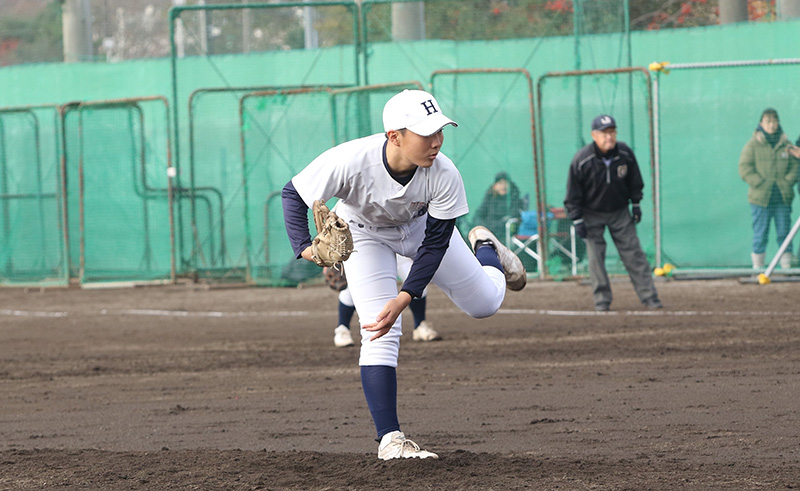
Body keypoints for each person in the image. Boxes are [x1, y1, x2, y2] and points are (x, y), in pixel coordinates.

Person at [281, 89, 526, 460]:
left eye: (440, 130)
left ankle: (487, 247)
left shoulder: (444, 174)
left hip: (422, 230)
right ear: (394, 136)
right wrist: (306, 248)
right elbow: (293, 193)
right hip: (363, 234)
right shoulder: (351, 160)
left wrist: (405, 295)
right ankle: (390, 440)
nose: (437, 141)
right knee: (378, 329)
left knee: (485, 304)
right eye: (426, 133)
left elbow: (435, 245)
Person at [564, 114, 662, 312]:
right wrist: (577, 220)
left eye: (612, 132)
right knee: (595, 258)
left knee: (634, 254)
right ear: (594, 135)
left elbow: (635, 181)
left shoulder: (625, 154)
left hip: (619, 211)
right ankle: (602, 300)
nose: (609, 137)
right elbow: (573, 193)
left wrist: (635, 204)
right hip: (591, 213)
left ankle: (649, 297)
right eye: (604, 133)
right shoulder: (582, 160)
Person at [738, 108, 800, 269]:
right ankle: (758, 269)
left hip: (782, 198)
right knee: (760, 234)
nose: (772, 125)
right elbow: (744, 168)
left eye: (775, 121)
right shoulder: (753, 145)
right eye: (768, 121)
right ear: (761, 124)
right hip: (760, 199)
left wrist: (787, 182)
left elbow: (795, 166)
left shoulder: (787, 144)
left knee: (784, 233)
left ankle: (786, 268)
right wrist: (759, 182)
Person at [334, 255, 440, 348]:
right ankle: (342, 328)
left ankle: (420, 325)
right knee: (353, 287)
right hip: (368, 246)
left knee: (416, 279)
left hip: (398, 247)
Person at [472, 172, 526, 239]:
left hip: (503, 235)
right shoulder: (489, 199)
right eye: (500, 183)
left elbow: (512, 217)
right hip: (486, 233)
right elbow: (478, 215)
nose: (503, 186)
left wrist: (493, 227)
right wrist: (483, 227)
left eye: (506, 183)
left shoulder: (515, 200)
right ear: (495, 186)